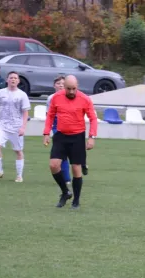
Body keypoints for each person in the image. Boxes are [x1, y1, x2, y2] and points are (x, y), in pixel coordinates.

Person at [43, 75, 97, 209]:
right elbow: (50, 115)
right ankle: (65, 192)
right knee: (53, 165)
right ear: (64, 87)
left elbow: (93, 119)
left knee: (76, 168)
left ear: (77, 86)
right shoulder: (56, 97)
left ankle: (76, 201)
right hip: (60, 136)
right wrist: (46, 133)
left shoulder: (85, 99)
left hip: (77, 137)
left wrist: (91, 137)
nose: (71, 92)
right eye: (68, 89)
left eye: (74, 89)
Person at [0, 71, 31, 183]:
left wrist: (23, 127)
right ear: (7, 80)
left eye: (15, 78)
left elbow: (25, 112)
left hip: (16, 126)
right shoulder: (0, 92)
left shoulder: (22, 95)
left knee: (18, 150)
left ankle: (19, 175)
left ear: (18, 81)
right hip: (2, 125)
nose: (13, 80)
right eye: (11, 78)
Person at [47, 76, 71, 185]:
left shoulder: (70, 96)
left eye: (63, 83)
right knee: (62, 152)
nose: (61, 85)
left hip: (70, 126)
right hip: (57, 127)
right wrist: (47, 131)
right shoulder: (51, 98)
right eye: (58, 83)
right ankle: (66, 178)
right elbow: (49, 115)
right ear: (54, 86)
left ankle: (82, 163)